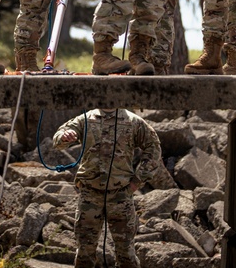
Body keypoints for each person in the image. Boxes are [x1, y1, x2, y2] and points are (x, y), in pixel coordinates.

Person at [53, 108, 163, 268]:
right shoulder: (86, 118)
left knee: (126, 254)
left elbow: (153, 147)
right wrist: (65, 136)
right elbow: (59, 138)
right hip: (90, 195)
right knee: (84, 252)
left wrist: (137, 181)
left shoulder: (133, 121)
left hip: (120, 196)